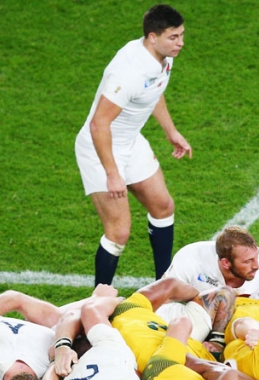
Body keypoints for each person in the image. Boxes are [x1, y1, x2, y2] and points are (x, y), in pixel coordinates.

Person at [76, 4, 192, 285]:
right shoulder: (129, 73)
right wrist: (113, 172)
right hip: (99, 148)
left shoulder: (163, 57)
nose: (181, 43)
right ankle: (99, 302)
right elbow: (98, 124)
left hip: (130, 141)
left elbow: (155, 91)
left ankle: (163, 285)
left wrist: (171, 131)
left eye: (182, 35)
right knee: (119, 232)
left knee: (163, 206)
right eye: (173, 37)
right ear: (153, 37)